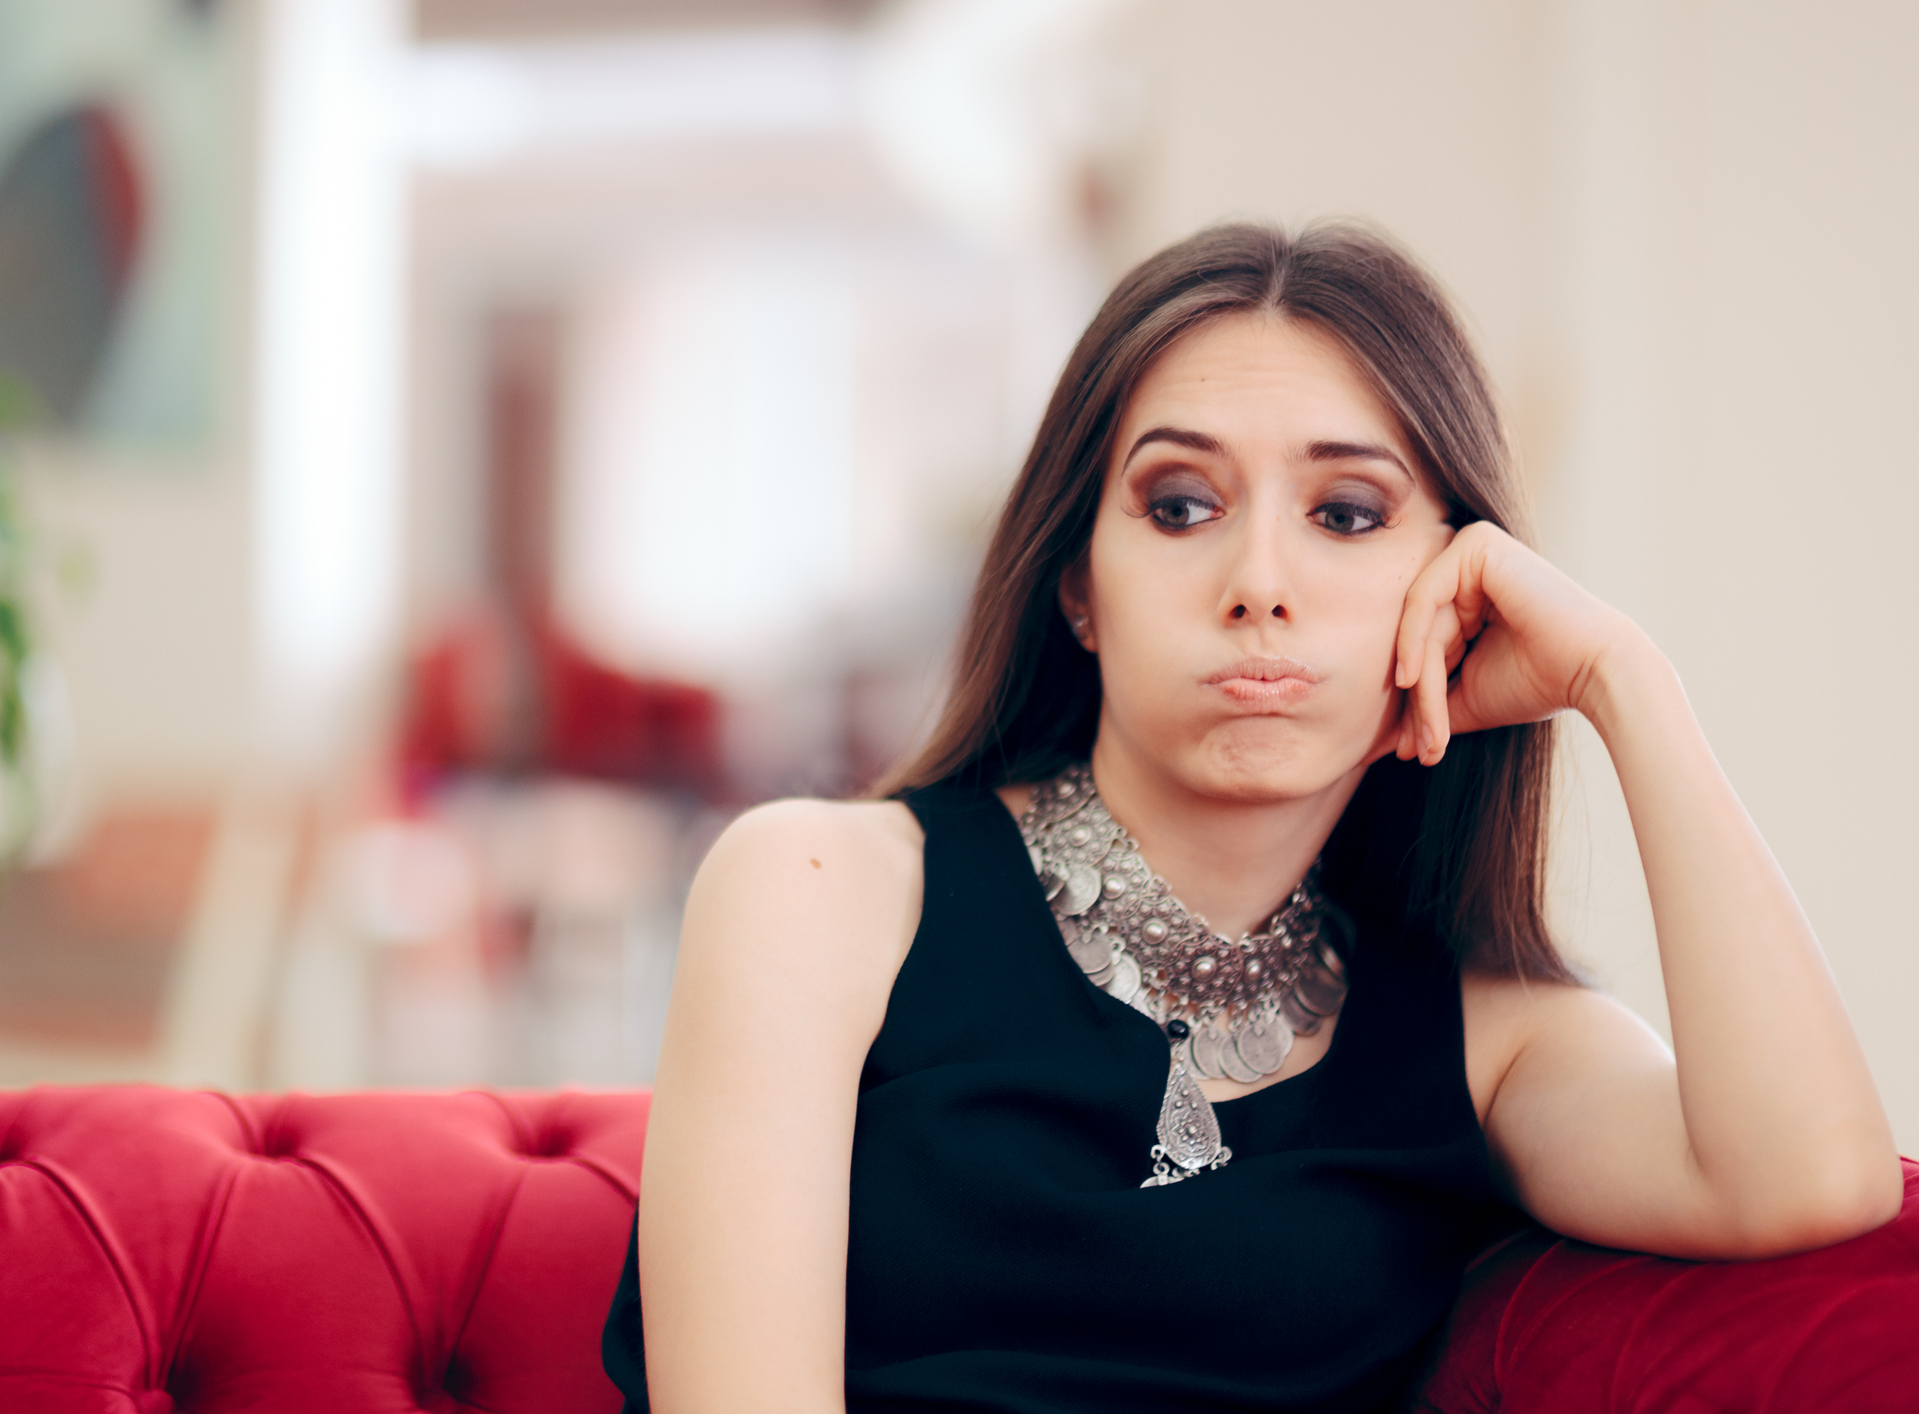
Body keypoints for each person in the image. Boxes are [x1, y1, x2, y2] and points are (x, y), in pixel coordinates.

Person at [600, 221, 1902, 1413]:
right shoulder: (820, 888)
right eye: (1179, 506)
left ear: (1448, 589)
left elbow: (1809, 1179)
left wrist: (1625, 684)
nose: (1259, 583)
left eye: (1344, 514)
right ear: (1078, 588)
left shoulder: (1484, 1037)